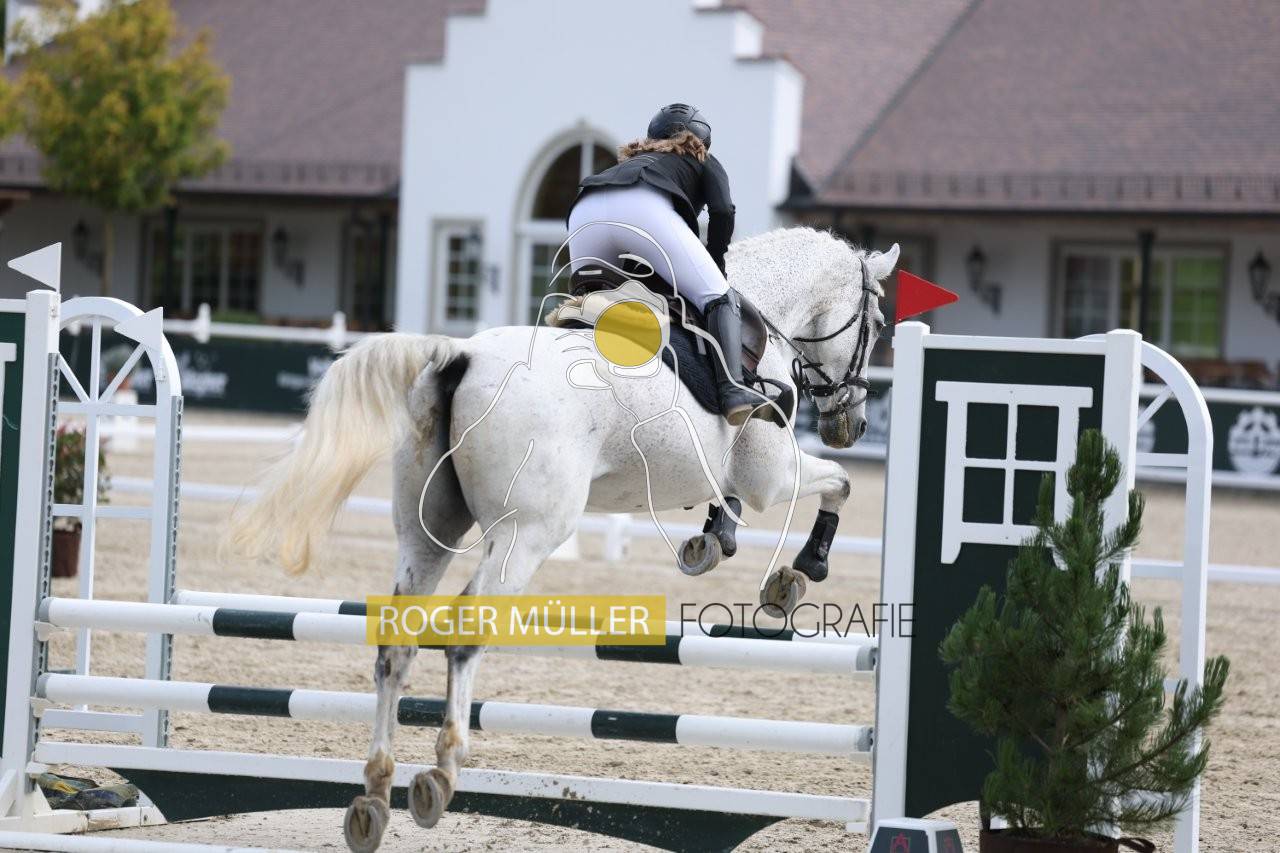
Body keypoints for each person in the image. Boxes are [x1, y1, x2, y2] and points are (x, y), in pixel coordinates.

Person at [566, 104, 768, 425]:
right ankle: (733, 390)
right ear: (701, 141)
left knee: (589, 299)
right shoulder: (702, 158)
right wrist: (716, 266)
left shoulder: (632, 159)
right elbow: (722, 211)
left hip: (584, 210)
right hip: (640, 207)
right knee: (718, 296)